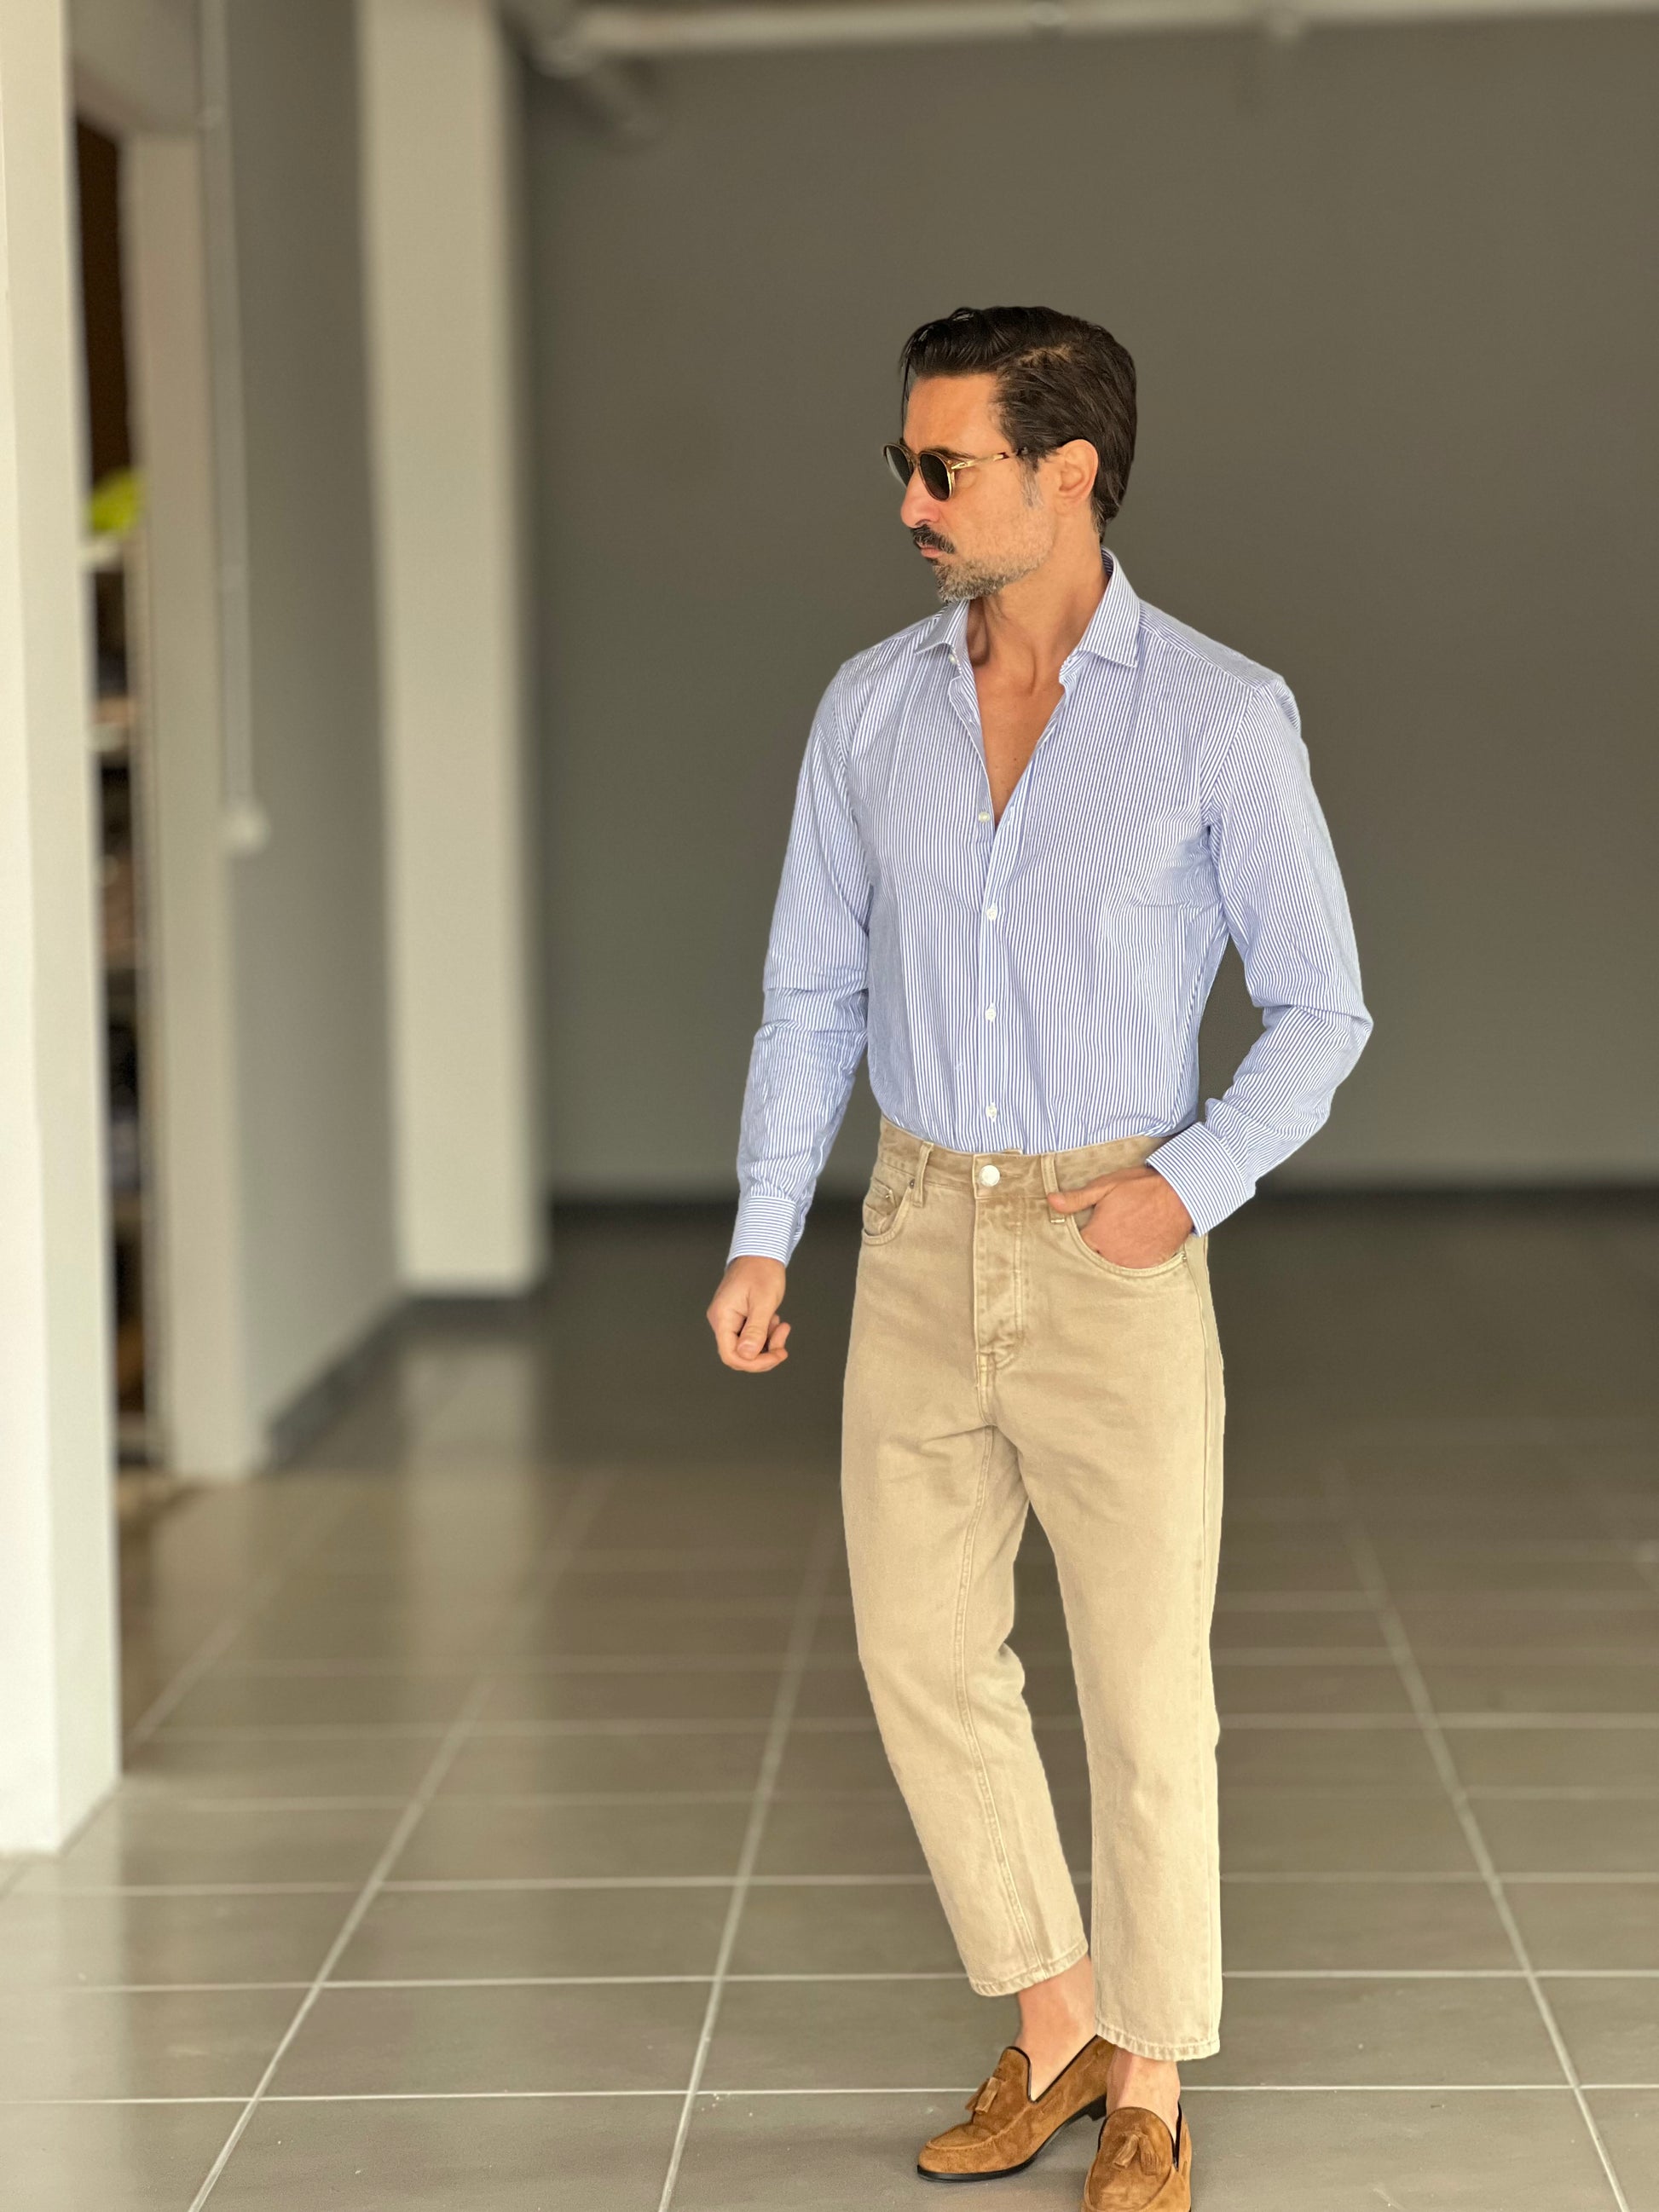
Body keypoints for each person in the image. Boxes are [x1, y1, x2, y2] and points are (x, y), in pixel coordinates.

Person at [706, 303, 1372, 2210]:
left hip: (1111, 1234)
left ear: (1067, 475)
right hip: (918, 1225)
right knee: (920, 1650)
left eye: (946, 467)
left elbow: (1321, 1006)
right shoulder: (870, 710)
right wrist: (767, 1230)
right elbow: (810, 992)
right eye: (904, 464)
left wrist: (1191, 1183)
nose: (910, 501)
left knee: (1144, 1684)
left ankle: (1150, 2074)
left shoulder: (1217, 716)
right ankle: (1056, 2011)